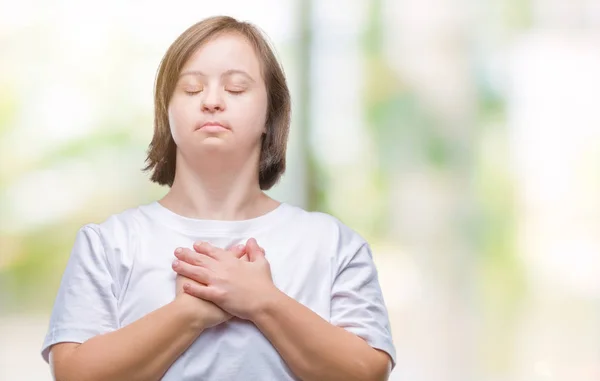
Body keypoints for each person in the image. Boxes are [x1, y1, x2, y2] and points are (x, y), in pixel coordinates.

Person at [41, 15, 396, 381]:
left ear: (270, 115)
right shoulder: (108, 243)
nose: (211, 101)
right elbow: (73, 374)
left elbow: (368, 373)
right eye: (192, 89)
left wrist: (262, 300)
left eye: (237, 88)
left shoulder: (333, 244)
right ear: (167, 112)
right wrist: (188, 314)